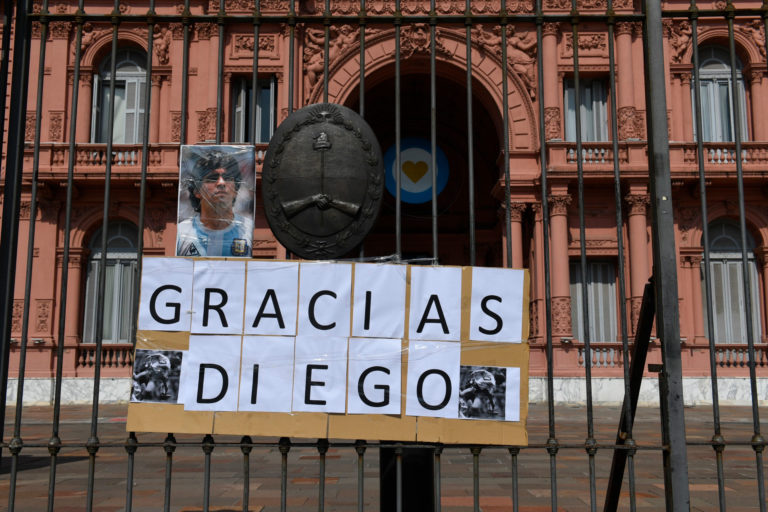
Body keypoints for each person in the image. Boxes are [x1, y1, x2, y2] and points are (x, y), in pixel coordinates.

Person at [176, 150, 253, 257]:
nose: (221, 183)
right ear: (197, 191)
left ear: (236, 189)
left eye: (227, 178)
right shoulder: (181, 233)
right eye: (212, 178)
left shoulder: (249, 230)